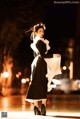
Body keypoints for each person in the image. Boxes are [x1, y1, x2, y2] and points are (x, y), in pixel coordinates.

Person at [25, 23, 62, 116]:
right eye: (40, 31)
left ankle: (37, 108)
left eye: (43, 31)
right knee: (41, 84)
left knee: (38, 84)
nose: (42, 33)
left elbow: (37, 55)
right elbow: (43, 55)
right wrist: (54, 55)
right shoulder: (40, 42)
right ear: (36, 32)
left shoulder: (37, 42)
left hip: (38, 63)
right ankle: (42, 108)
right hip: (40, 64)